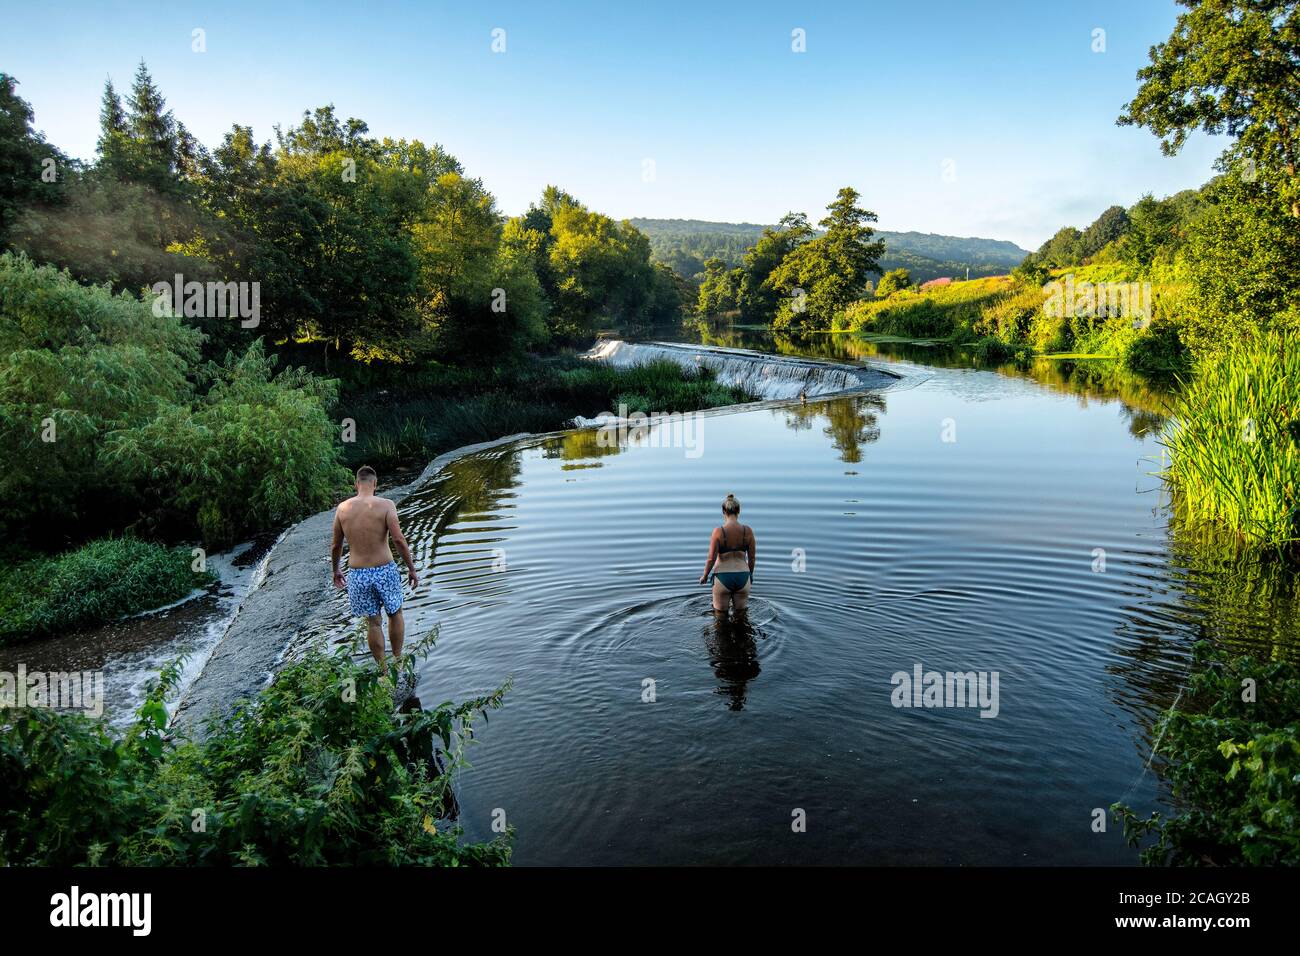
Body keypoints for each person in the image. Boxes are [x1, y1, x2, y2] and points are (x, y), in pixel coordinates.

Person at [331, 465, 419, 671]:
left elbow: (336, 545)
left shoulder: (342, 509)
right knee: (395, 612)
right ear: (375, 483)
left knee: (373, 622)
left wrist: (336, 571)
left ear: (356, 484)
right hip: (384, 569)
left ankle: (382, 670)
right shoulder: (386, 505)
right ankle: (398, 662)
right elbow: (398, 539)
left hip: (357, 574)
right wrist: (411, 568)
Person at [698, 493, 756, 614]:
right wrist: (749, 575)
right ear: (739, 510)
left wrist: (705, 576)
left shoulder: (718, 532)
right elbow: (752, 557)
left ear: (723, 511)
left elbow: (710, 559)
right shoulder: (748, 531)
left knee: (720, 620)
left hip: (723, 577)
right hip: (743, 576)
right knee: (741, 617)